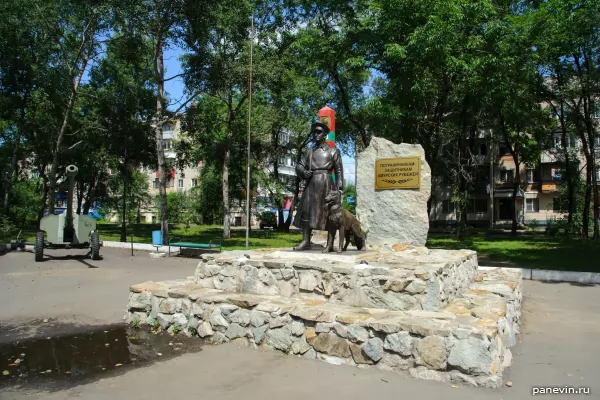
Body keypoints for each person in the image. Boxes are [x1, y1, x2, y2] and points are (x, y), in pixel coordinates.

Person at [293, 122, 343, 250]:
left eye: (319, 132)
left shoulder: (333, 151)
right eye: (315, 132)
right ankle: (306, 240)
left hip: (326, 183)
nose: (316, 134)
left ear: (325, 134)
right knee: (306, 211)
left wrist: (339, 187)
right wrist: (303, 172)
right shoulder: (309, 151)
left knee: (327, 213)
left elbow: (338, 170)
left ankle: (330, 243)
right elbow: (299, 165)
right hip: (311, 184)